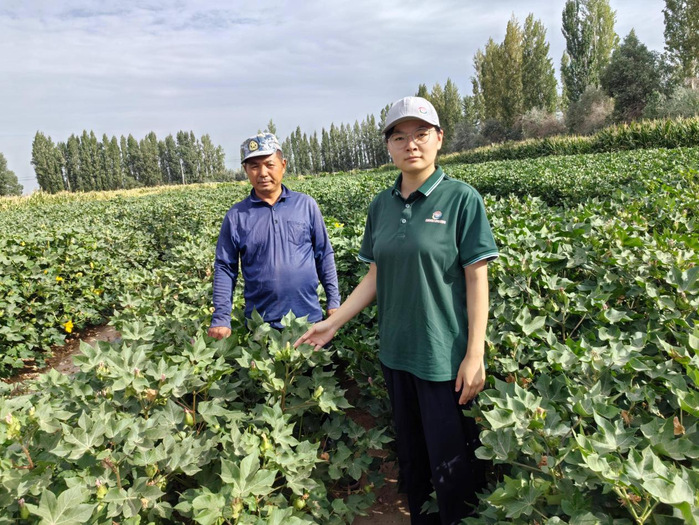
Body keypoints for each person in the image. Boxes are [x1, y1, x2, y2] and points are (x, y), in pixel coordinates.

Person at [294, 97, 498, 524]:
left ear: (439, 138)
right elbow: (375, 275)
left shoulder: (462, 200)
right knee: (415, 461)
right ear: (388, 146)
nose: (411, 145)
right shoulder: (381, 206)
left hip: (444, 359)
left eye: (421, 134)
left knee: (453, 468)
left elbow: (477, 279)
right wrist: (333, 323)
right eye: (400, 137)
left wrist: (474, 354)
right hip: (396, 354)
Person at [208, 132, 340, 339]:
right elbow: (225, 267)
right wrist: (221, 318)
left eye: (269, 164)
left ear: (283, 165)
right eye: (254, 166)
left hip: (309, 321)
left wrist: (334, 302)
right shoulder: (236, 216)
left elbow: (324, 255)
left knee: (313, 360)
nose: (262, 173)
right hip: (262, 327)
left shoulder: (306, 205)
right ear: (245, 170)